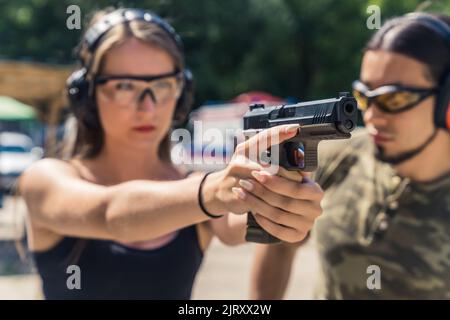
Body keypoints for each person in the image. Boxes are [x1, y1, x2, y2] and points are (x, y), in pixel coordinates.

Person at [17, 7, 323, 299]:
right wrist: (213, 192)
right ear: (86, 95)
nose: (148, 106)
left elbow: (240, 225)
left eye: (163, 85)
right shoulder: (45, 180)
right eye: (124, 86)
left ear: (181, 93)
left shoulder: (194, 190)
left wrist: (284, 204)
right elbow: (110, 214)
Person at [250, 12, 450, 299]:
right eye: (364, 96)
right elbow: (278, 243)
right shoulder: (338, 156)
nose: (372, 116)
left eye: (394, 98)